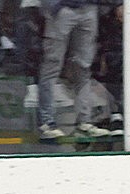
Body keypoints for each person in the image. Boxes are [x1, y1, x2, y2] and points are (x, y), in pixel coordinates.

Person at [37, 0, 110, 139]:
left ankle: (84, 122)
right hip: (61, 8)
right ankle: (46, 123)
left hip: (88, 8)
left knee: (83, 67)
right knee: (52, 65)